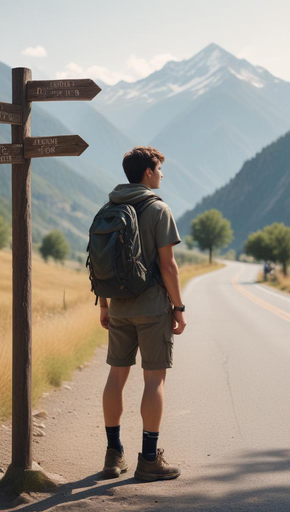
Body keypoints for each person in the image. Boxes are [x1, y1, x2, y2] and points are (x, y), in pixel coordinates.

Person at [99, 146, 187, 482]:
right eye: (159, 169)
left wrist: (105, 305)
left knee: (116, 377)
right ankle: (148, 460)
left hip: (119, 306)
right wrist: (178, 308)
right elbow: (168, 266)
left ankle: (112, 454)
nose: (162, 174)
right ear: (147, 173)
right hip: (152, 309)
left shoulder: (110, 207)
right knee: (154, 380)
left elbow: (103, 261)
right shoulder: (158, 209)